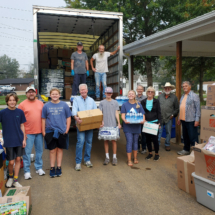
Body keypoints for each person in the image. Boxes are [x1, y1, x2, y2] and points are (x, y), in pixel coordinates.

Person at [42, 88, 71, 178]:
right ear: (50, 95)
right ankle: (52, 168)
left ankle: (58, 167)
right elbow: (43, 119)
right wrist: (43, 131)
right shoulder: (46, 106)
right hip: (50, 131)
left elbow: (68, 117)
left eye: (56, 94)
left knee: (59, 149)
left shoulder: (64, 105)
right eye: (53, 94)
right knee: (52, 150)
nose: (54, 95)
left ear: (59, 95)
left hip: (62, 131)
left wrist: (67, 129)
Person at [18, 87, 45, 180]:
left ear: (35, 93)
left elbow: (44, 117)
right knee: (26, 152)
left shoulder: (41, 103)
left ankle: (38, 167)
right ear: (26, 94)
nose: (31, 94)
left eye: (32, 92)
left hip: (39, 132)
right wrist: (22, 133)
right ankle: (27, 171)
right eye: (29, 92)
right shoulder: (22, 105)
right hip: (27, 132)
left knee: (39, 151)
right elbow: (19, 121)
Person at [0, 94, 26, 187]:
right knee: (11, 161)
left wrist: (24, 139)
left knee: (18, 159)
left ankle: (15, 180)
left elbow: (22, 125)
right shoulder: (2, 112)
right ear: (7, 101)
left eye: (14, 100)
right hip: (9, 140)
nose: (12, 102)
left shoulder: (20, 112)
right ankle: (10, 177)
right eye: (10, 100)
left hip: (19, 139)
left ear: (16, 101)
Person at [72, 84, 97, 171]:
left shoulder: (91, 100)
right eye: (81, 90)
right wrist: (76, 118)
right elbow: (74, 110)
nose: (83, 91)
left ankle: (87, 160)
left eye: (84, 89)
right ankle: (78, 162)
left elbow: (95, 111)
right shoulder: (76, 99)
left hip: (90, 125)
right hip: (81, 124)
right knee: (80, 142)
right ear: (79, 91)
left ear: (87, 90)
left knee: (89, 142)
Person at [121, 90, 145, 167]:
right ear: (128, 95)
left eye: (132, 94)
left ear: (135, 95)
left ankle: (135, 158)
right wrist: (125, 120)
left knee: (135, 142)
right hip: (128, 127)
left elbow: (143, 114)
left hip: (137, 126)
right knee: (129, 141)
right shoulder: (124, 104)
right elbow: (123, 115)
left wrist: (143, 120)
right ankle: (129, 160)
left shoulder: (138, 104)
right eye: (129, 94)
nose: (131, 95)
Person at [99, 87, 121, 166]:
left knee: (114, 141)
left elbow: (116, 113)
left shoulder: (115, 102)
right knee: (106, 141)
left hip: (113, 125)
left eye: (110, 93)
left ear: (112, 94)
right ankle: (107, 157)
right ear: (105, 93)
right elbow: (100, 113)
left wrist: (118, 123)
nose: (108, 94)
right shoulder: (101, 102)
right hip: (105, 125)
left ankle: (114, 157)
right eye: (107, 93)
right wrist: (101, 122)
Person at [177, 81, 200, 155]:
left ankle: (196, 152)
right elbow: (181, 107)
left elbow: (198, 109)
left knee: (193, 137)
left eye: (186, 86)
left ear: (190, 86)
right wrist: (179, 118)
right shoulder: (183, 96)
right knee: (185, 136)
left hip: (191, 120)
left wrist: (197, 120)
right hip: (183, 120)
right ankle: (186, 150)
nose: (184, 87)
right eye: (183, 86)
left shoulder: (194, 96)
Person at [141, 86, 161, 161]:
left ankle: (156, 154)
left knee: (155, 140)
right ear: (146, 93)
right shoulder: (143, 101)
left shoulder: (157, 101)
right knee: (148, 139)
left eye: (151, 92)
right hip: (146, 123)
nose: (150, 93)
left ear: (153, 93)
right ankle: (150, 153)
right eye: (148, 91)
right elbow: (142, 112)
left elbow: (159, 112)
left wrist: (159, 123)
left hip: (155, 123)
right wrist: (143, 120)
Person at [158, 82, 179, 151]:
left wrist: (173, 115)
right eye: (166, 88)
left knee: (168, 132)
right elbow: (157, 106)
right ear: (164, 89)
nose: (167, 89)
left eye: (168, 88)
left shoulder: (174, 97)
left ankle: (167, 144)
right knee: (159, 131)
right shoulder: (160, 96)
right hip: (160, 117)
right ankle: (157, 144)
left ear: (170, 89)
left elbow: (176, 109)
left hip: (169, 118)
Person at [136, 85, 147, 154]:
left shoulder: (146, 98)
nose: (139, 90)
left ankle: (144, 148)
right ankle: (137, 148)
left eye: (141, 89)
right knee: (137, 134)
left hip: (143, 118)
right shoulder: (134, 97)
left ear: (143, 90)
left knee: (144, 134)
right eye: (138, 89)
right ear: (136, 90)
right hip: (136, 119)